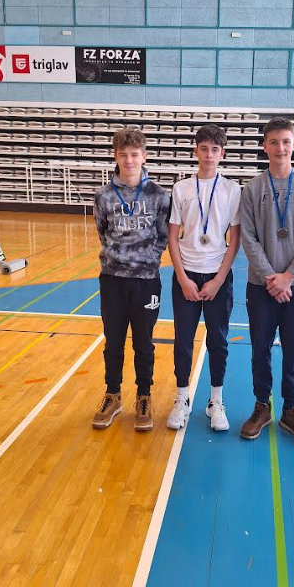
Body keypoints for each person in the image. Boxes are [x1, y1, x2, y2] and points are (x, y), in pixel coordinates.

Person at [239, 117, 294, 444]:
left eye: (286, 141)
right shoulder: (252, 189)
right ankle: (262, 405)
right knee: (260, 348)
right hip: (261, 286)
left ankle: (291, 409)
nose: (280, 148)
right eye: (273, 142)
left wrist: (288, 276)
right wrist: (270, 277)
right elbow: (248, 237)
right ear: (265, 146)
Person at [92, 128, 170, 430]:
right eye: (123, 155)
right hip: (112, 279)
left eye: (134, 154)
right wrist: (121, 257)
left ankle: (144, 396)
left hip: (146, 280)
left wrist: (145, 259)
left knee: (144, 343)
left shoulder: (159, 196)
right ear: (115, 156)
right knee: (113, 341)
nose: (129, 160)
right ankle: (112, 395)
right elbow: (102, 232)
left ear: (144, 156)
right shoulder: (103, 196)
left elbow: (163, 236)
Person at [167, 124, 241, 431]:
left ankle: (215, 401)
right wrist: (183, 278)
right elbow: (172, 236)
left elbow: (234, 240)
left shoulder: (233, 190)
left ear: (222, 153)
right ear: (195, 151)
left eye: (215, 149)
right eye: (204, 148)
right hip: (186, 274)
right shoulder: (181, 188)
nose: (209, 155)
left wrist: (219, 280)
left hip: (217, 276)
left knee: (218, 340)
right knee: (183, 340)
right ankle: (181, 399)